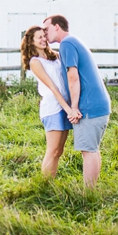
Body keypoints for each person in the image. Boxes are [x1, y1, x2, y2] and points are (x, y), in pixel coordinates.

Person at [43, 15, 111, 187]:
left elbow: (72, 77)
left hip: (88, 106)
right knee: (92, 149)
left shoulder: (67, 44)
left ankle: (89, 194)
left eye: (47, 29)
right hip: (99, 104)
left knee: (88, 150)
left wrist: (73, 107)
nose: (45, 33)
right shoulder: (74, 42)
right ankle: (92, 190)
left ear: (57, 27)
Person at [21, 25, 76, 178]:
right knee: (52, 150)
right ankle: (45, 183)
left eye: (44, 36)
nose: (44, 39)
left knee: (59, 151)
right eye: (39, 37)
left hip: (65, 106)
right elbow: (52, 87)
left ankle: (50, 180)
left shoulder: (56, 56)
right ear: (31, 42)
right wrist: (68, 109)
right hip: (53, 108)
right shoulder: (35, 62)